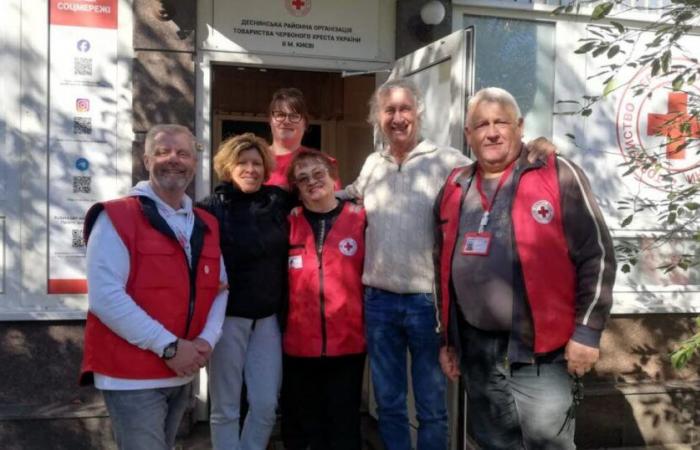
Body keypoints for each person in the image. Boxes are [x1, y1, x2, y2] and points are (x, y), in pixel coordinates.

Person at [344, 78, 556, 450]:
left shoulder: (447, 162)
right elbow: (343, 197)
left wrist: (534, 147)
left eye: (405, 109)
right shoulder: (372, 164)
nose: (398, 117)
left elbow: (495, 166)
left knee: (431, 406)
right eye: (389, 110)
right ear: (378, 117)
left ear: (419, 113)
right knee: (389, 403)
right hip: (378, 302)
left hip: (428, 306)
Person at [435, 87, 616, 449]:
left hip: (541, 353)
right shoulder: (455, 185)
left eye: (501, 121)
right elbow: (439, 265)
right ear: (468, 135)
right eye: (480, 124)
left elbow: (598, 254)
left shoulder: (557, 173)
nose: (492, 132)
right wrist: (448, 340)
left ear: (519, 126)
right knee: (491, 442)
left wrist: (587, 332)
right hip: (477, 348)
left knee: (548, 444)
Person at [80, 124, 228, 450]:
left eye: (183, 153)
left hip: (182, 372)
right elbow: (105, 297)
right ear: (147, 161)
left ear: (194, 162)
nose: (173, 159)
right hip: (132, 376)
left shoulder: (206, 223)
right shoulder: (116, 216)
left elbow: (221, 287)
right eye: (163, 152)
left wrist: (205, 342)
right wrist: (171, 347)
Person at [198, 133, 291, 450]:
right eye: (242, 162)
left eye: (256, 163)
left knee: (265, 405)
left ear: (265, 168)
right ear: (228, 166)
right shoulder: (209, 209)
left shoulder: (277, 201)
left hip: (267, 320)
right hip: (227, 320)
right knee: (225, 408)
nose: (250, 169)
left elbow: (319, 199)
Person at [281, 149, 367, 450]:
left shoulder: (361, 219)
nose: (312, 182)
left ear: (334, 179)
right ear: (297, 188)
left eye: (318, 174)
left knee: (343, 428)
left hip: (348, 344)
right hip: (298, 347)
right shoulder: (287, 225)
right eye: (303, 179)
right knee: (306, 430)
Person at [265, 87, 340, 189]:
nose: (286, 121)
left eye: (294, 116)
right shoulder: (254, 161)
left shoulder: (322, 163)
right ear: (270, 121)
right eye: (280, 115)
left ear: (305, 123)